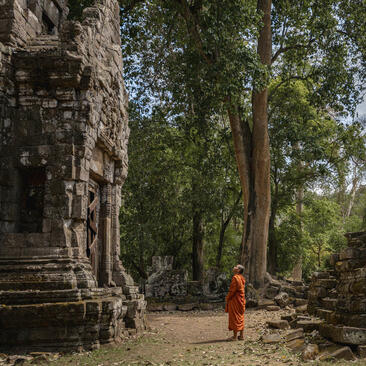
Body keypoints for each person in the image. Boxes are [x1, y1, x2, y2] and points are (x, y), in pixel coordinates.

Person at [225, 264, 246, 341]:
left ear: (238, 270)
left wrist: (227, 298)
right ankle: (241, 336)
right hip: (241, 300)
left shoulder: (235, 278)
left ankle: (234, 337)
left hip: (235, 300)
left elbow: (233, 290)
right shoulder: (242, 278)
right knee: (240, 317)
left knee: (235, 317)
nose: (234, 267)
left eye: (236, 267)